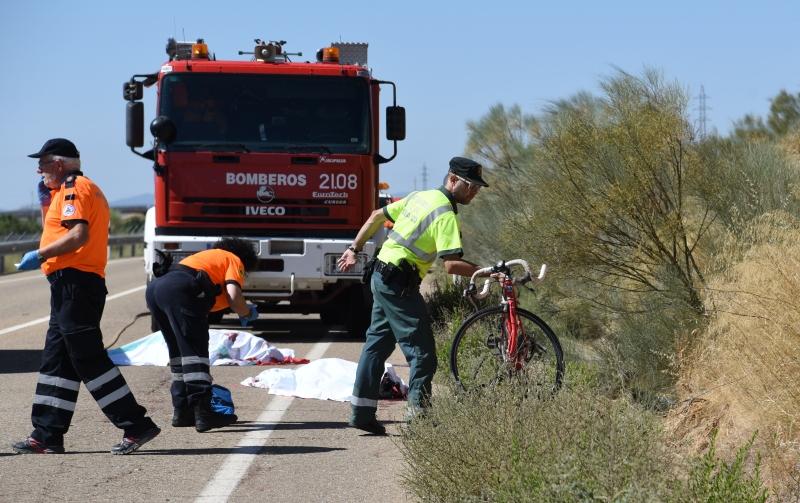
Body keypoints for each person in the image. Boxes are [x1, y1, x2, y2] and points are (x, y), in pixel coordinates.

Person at [12, 138, 160, 455]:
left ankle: (136, 424)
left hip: (76, 284)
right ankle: (47, 434)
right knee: (58, 360)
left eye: (43, 162)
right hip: (68, 285)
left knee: (87, 357)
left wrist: (39, 254)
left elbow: (78, 235)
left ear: (60, 163)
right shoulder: (64, 190)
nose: (38, 169)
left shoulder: (73, 187)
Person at [337, 156, 489, 435]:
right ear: (452, 180)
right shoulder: (445, 213)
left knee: (377, 345)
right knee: (423, 354)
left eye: (478, 188)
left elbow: (375, 216)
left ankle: (361, 412)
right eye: (470, 185)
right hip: (398, 284)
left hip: (380, 277)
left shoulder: (420, 196)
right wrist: (488, 272)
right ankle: (418, 419)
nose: (474, 192)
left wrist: (354, 249)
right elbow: (451, 264)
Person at [145, 238, 259, 432]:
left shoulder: (205, 258)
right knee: (195, 352)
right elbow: (233, 295)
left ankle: (182, 411)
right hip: (179, 290)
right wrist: (246, 312)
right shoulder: (233, 259)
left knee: (179, 354)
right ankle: (204, 413)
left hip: (156, 289)